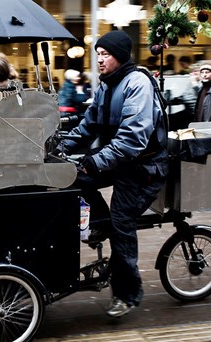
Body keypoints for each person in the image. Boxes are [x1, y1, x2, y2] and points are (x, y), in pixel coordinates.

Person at [54, 31, 168, 318]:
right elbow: (88, 126)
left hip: (144, 167)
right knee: (71, 178)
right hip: (118, 162)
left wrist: (95, 162)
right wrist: (57, 149)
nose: (99, 60)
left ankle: (128, 294)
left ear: (120, 56)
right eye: (98, 54)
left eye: (105, 54)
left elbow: (132, 139)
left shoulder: (137, 83)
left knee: (122, 224)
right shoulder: (106, 85)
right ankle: (100, 222)